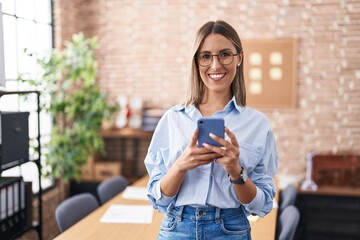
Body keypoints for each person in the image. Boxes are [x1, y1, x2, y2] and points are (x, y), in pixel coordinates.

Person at [144, 20, 278, 240]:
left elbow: (261, 205)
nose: (215, 66)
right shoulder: (172, 120)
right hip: (177, 227)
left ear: (239, 58)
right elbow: (158, 200)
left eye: (225, 54)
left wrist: (236, 171)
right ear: (196, 62)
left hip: (230, 229)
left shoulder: (258, 124)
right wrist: (181, 165)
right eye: (206, 56)